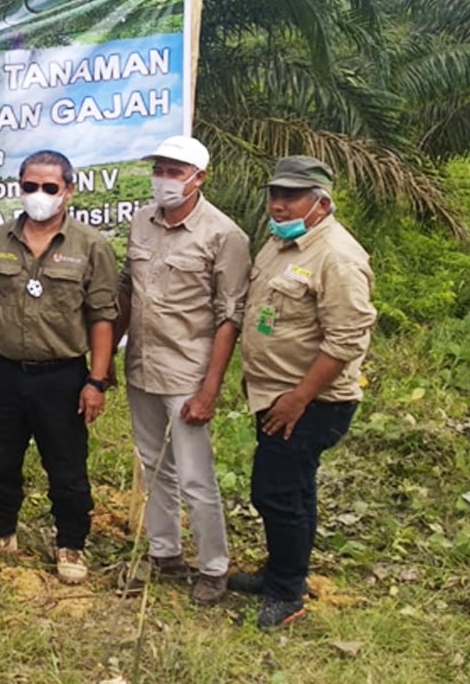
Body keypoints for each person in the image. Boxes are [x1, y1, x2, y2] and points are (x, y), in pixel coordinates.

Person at [0, 150, 118, 582]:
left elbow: (103, 317)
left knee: (66, 466)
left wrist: (96, 381)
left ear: (68, 190)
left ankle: (71, 546)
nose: (39, 195)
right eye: (30, 186)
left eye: (49, 187)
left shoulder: (91, 246)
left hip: (62, 376)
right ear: (19, 186)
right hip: (6, 371)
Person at [233, 156, 375, 629]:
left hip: (311, 402)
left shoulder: (337, 255)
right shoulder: (278, 243)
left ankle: (286, 592)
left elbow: (347, 338)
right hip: (275, 392)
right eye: (275, 193)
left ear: (321, 202)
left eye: (291, 196)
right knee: (294, 488)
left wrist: (299, 398)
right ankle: (282, 570)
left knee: (275, 492)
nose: (278, 203)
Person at [112, 135, 249, 605]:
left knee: (195, 476)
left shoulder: (223, 235)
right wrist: (107, 355)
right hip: (142, 365)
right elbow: (128, 291)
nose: (165, 179)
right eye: (160, 169)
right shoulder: (141, 222)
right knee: (154, 468)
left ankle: (214, 567)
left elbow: (230, 316)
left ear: (199, 178)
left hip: (188, 372)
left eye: (175, 171)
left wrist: (210, 389)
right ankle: (165, 555)